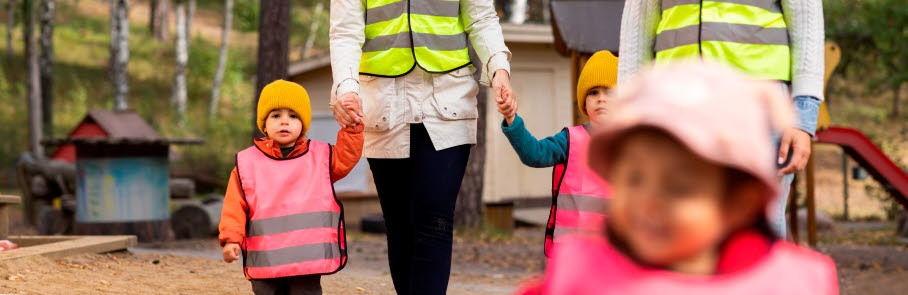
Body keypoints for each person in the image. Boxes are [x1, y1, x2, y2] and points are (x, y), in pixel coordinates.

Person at [517, 63, 837, 294]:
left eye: (678, 187)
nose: (647, 201)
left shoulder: (788, 283)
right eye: (633, 178)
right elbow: (535, 153)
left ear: (739, 202)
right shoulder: (582, 272)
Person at [329, 0, 514, 294]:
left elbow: (481, 19)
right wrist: (346, 88)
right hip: (383, 103)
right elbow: (346, 33)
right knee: (400, 225)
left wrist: (498, 69)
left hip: (447, 101)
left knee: (434, 220)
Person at [617, 0, 825, 238]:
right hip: (676, 103)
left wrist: (803, 116)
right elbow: (636, 32)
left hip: (758, 104)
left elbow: (807, 23)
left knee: (757, 224)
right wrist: (627, 114)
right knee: (677, 220)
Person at [218, 80, 364, 295]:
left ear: (303, 123)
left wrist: (352, 129)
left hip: (307, 259)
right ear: (264, 123)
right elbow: (234, 205)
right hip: (266, 257)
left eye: (293, 116)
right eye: (276, 115)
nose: (284, 122)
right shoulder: (247, 163)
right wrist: (231, 239)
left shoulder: (321, 157)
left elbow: (347, 157)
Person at [498, 50, 617, 256]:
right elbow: (534, 154)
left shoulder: (633, 145)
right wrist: (512, 120)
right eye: (593, 92)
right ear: (584, 103)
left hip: (615, 251)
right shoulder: (570, 140)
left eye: (610, 92)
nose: (601, 99)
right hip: (572, 251)